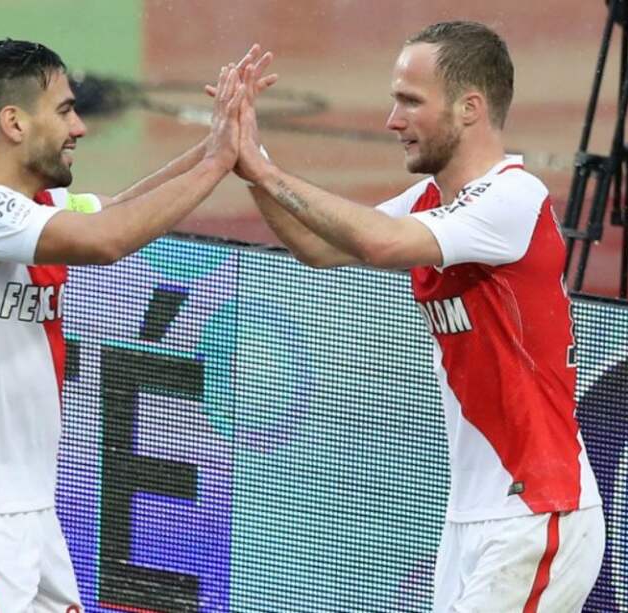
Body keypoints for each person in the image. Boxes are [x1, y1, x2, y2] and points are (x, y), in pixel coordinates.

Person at [0, 39, 271, 612]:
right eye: (65, 110)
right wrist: (218, 165)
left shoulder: (37, 206)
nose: (81, 127)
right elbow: (106, 240)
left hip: (29, 511)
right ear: (13, 122)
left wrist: (214, 145)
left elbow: (115, 211)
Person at [236, 21, 605, 612]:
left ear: (469, 108)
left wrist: (264, 170)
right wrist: (248, 161)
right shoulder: (431, 199)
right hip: (473, 517)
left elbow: (380, 244)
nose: (392, 119)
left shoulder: (514, 197)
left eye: (410, 100)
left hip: (536, 511)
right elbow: (319, 247)